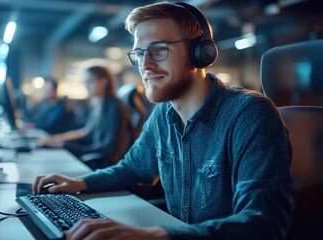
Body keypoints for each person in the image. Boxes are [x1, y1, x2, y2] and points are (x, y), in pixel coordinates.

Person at [32, 2, 295, 240]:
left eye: (159, 49)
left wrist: (156, 235)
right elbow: (133, 169)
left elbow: (265, 224)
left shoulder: (249, 114)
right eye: (139, 53)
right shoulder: (163, 114)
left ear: (199, 52)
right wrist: (81, 183)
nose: (145, 64)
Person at [38, 65, 131, 170]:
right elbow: (88, 133)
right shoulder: (98, 105)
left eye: (90, 81)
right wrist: (59, 140)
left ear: (104, 81)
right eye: (85, 82)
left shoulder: (114, 107)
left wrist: (64, 145)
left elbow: (108, 149)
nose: (86, 86)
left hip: (103, 166)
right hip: (95, 160)